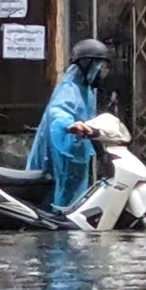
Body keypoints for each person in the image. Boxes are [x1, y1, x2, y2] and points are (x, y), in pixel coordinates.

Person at [26, 38, 110, 210]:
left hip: (74, 153)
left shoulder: (85, 90)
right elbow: (58, 111)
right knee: (58, 199)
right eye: (99, 66)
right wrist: (70, 125)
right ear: (87, 64)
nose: (101, 71)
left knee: (71, 200)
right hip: (60, 156)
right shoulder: (69, 89)